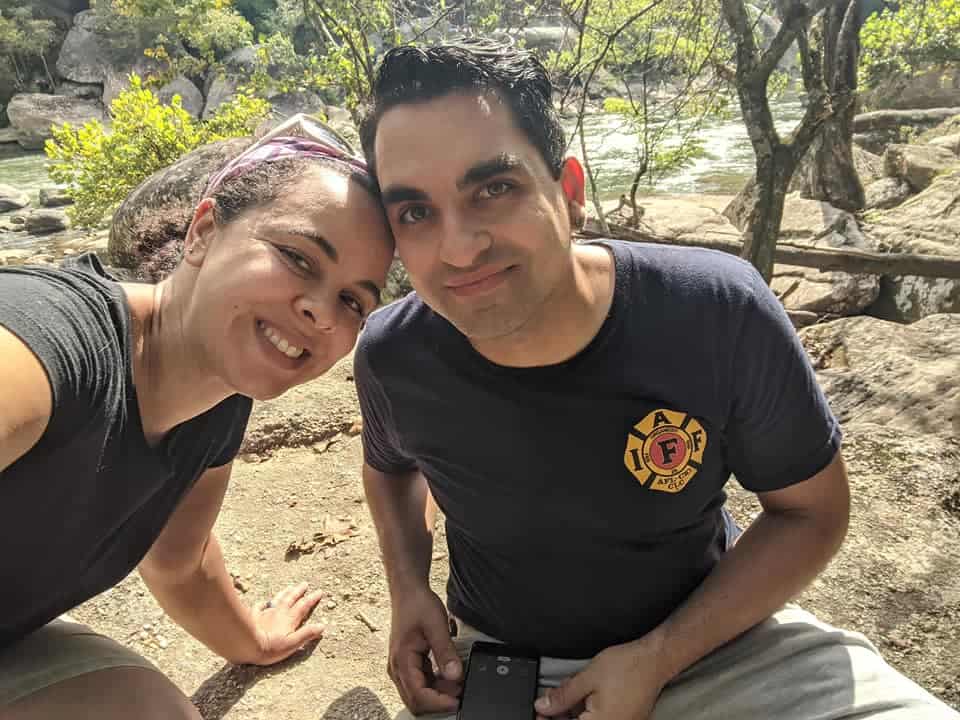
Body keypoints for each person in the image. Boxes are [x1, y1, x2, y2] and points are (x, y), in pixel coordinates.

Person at [352, 40, 959, 720]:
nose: (459, 248)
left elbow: (812, 512)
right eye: (415, 212)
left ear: (570, 193)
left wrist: (660, 655)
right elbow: (389, 467)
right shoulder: (394, 355)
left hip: (716, 643)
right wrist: (408, 587)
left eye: (494, 189)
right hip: (501, 665)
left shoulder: (713, 311)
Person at [0, 118, 395, 719]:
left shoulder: (218, 403)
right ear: (204, 232)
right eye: (297, 257)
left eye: (352, 301)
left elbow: (179, 562)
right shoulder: (50, 340)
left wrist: (255, 641)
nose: (320, 310)